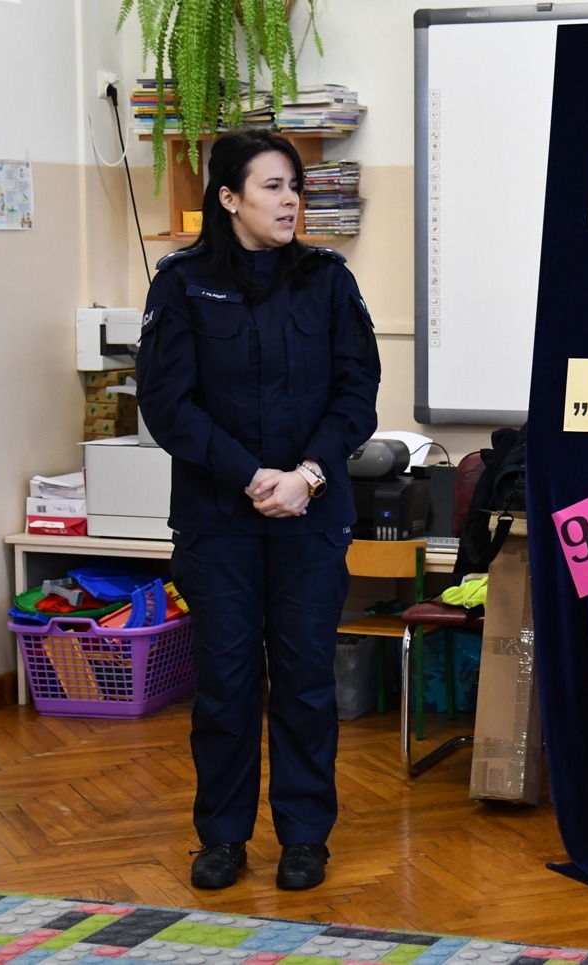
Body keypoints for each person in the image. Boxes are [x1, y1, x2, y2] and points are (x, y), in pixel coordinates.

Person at [136, 129, 380, 892]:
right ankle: (222, 835)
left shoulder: (328, 280)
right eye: (272, 186)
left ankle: (305, 837)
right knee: (227, 682)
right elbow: (167, 405)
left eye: (294, 186)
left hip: (312, 512)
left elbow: (357, 396)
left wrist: (306, 474)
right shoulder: (182, 283)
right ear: (229, 197)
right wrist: (250, 477)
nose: (290, 200)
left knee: (305, 679)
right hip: (219, 520)